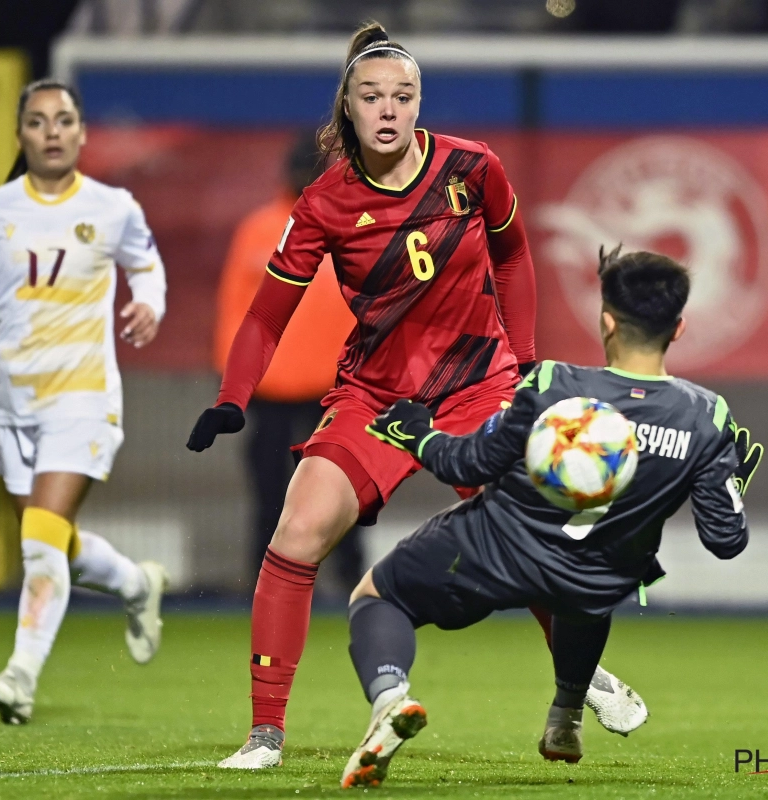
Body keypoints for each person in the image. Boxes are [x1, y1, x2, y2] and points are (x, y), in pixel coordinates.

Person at [186, 21, 544, 768]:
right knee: (296, 532)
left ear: (420, 103)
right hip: (378, 396)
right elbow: (263, 317)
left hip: (477, 384)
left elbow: (512, 253)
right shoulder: (322, 204)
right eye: (371, 96)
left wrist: (528, 361)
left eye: (402, 96)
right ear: (346, 108)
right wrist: (233, 396)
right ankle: (265, 735)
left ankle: (579, 680)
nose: (388, 109)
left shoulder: (472, 168)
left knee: (525, 533)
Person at [339, 248, 764, 788]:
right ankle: (565, 718)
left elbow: (469, 461)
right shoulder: (707, 418)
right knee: (589, 586)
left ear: (607, 320)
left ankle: (391, 700)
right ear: (678, 329)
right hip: (593, 580)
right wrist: (732, 487)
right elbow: (725, 541)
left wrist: (417, 432)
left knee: (377, 597)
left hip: (493, 552)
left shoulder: (554, 386)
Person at [0, 78, 169, 725]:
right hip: (14, 407)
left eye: (64, 120)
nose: (52, 131)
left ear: (82, 133)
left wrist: (149, 303)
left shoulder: (113, 207)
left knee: (38, 541)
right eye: (38, 121)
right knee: (51, 541)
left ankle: (19, 678)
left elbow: (146, 265)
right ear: (21, 135)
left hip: (83, 400)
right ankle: (137, 583)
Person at [212, 134, 361, 590]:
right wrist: (233, 385)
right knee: (270, 494)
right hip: (270, 392)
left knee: (338, 493)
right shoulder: (258, 229)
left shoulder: (354, 224)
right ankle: (266, 584)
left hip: (332, 390)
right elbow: (234, 310)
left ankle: (349, 582)